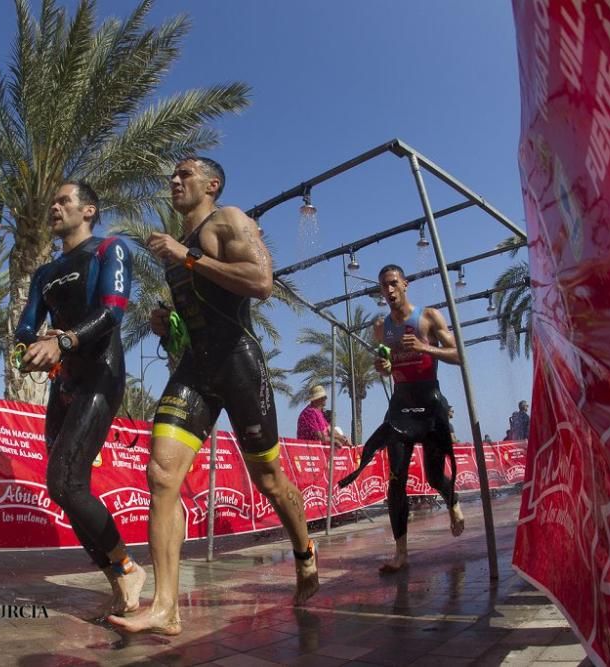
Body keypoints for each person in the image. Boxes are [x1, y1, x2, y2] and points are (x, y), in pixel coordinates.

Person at [109, 157, 319, 635]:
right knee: (160, 474)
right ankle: (166, 607)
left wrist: (187, 258)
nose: (174, 181)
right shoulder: (180, 244)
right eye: (172, 176)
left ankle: (305, 555)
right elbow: (199, 307)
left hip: (239, 366)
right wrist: (168, 326)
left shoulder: (229, 220)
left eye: (186, 175)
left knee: (270, 481)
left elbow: (261, 282)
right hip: (194, 368)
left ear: (212, 184)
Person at [14, 181, 144, 618]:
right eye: (51, 200)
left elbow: (112, 312)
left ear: (88, 210)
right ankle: (119, 580)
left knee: (64, 481)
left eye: (63, 200)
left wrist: (64, 340)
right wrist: (32, 348)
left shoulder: (111, 249)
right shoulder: (44, 273)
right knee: (69, 490)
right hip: (65, 382)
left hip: (101, 374)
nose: (54, 206)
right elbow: (25, 327)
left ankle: (127, 566)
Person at [337, 264, 465, 573]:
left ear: (405, 284)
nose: (390, 290)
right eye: (384, 286)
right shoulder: (380, 327)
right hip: (401, 403)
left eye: (394, 283)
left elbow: (459, 354)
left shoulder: (429, 317)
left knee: (434, 476)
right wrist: (382, 367)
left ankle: (453, 502)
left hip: (429, 401)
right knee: (396, 480)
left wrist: (423, 346)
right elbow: (384, 366)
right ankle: (401, 553)